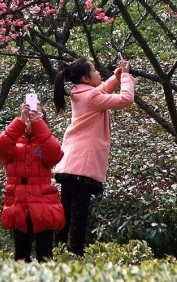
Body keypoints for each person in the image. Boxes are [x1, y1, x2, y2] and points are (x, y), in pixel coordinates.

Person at [52, 56, 134, 256]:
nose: (99, 72)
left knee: (66, 215)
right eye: (95, 71)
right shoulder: (91, 97)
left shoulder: (79, 92)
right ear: (86, 78)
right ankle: (74, 257)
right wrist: (126, 78)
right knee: (78, 217)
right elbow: (126, 100)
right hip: (84, 165)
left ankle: (58, 255)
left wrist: (115, 78)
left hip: (71, 162)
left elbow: (100, 91)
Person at [0, 99, 65, 262]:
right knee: (21, 254)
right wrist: (20, 120)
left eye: (36, 112)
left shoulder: (46, 140)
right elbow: (0, 148)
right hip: (19, 204)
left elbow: (55, 156)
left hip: (43, 204)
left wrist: (38, 124)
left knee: (45, 255)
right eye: (28, 111)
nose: (30, 116)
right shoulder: (14, 141)